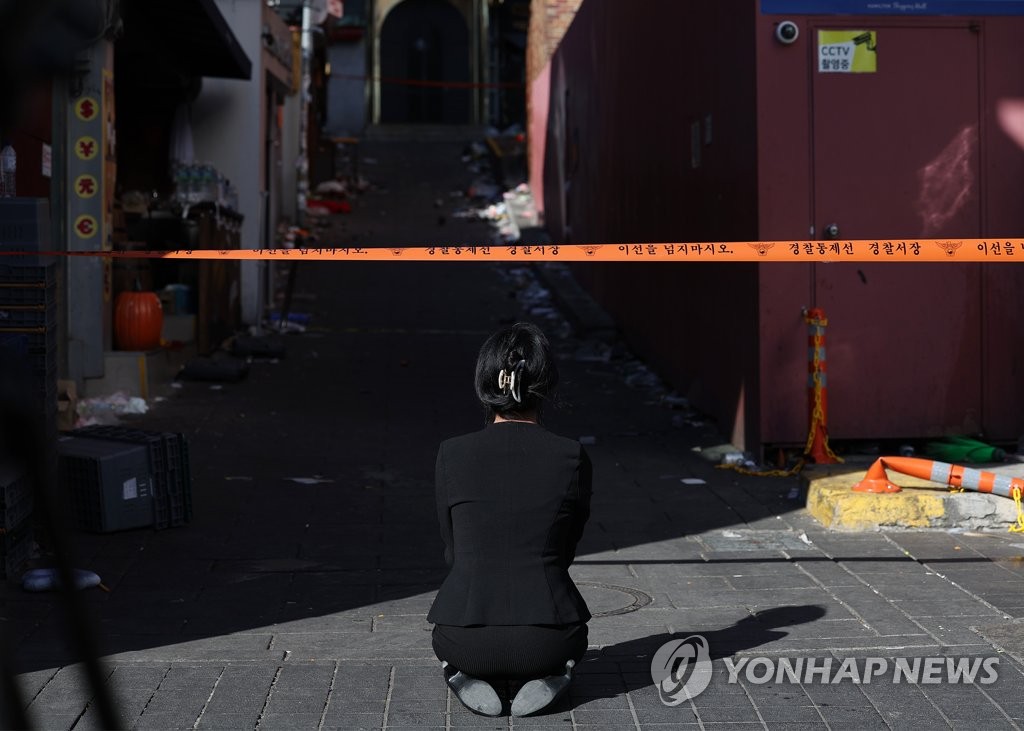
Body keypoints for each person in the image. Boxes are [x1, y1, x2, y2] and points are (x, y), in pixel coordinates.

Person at [428, 322, 593, 717]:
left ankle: (462, 676)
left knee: (448, 645)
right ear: (546, 384)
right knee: (574, 641)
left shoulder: (452, 453)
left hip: (463, 638)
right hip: (550, 640)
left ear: (485, 382)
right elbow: (567, 547)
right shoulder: (572, 456)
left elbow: (452, 548)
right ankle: (554, 677)